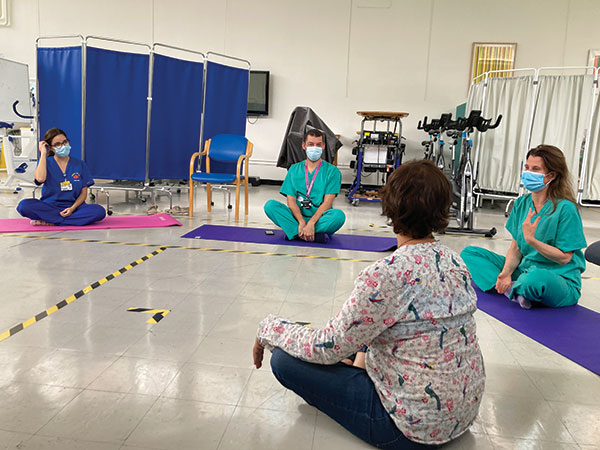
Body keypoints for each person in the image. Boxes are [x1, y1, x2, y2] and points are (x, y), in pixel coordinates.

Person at [254, 160, 485, 449]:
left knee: (284, 358)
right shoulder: (455, 261)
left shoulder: (386, 273)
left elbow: (328, 345)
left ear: (390, 207)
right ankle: (359, 364)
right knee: (354, 330)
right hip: (462, 413)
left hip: (408, 428)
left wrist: (268, 328)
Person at [461, 145, 586, 309]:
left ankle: (519, 288)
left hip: (558, 278)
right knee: (469, 254)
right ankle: (514, 289)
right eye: (527, 167)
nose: (528, 172)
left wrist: (531, 240)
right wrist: (506, 273)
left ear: (552, 175)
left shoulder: (566, 209)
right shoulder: (522, 203)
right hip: (524, 270)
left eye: (535, 169)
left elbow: (564, 258)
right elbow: (516, 247)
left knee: (534, 280)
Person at [264, 129, 345, 243]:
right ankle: (313, 234)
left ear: (323, 146)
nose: (314, 148)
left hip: (319, 219)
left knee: (338, 216)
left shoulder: (333, 172)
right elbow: (291, 201)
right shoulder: (294, 169)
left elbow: (327, 203)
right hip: (297, 218)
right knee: (270, 206)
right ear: (304, 145)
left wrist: (311, 223)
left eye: (318, 145)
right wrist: (302, 222)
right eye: (311, 144)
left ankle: (296, 232)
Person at [16, 128, 106, 226]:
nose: (63, 146)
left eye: (65, 142)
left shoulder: (79, 164)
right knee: (23, 206)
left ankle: (51, 221)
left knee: (99, 211)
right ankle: (67, 221)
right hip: (50, 206)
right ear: (51, 148)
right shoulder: (46, 162)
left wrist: (72, 209)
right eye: (58, 144)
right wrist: (43, 153)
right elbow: (40, 179)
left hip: (75, 207)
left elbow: (84, 193)